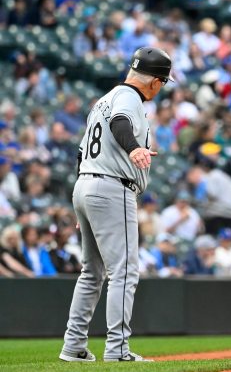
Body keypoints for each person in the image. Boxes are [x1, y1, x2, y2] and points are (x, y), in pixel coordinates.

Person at [60, 46, 173, 363]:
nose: (161, 88)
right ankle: (118, 350)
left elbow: (82, 153)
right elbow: (121, 124)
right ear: (153, 81)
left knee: (91, 272)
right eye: (162, 82)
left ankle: (73, 347)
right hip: (111, 188)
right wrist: (135, 148)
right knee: (124, 272)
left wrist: (83, 202)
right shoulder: (128, 97)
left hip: (87, 185)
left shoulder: (103, 100)